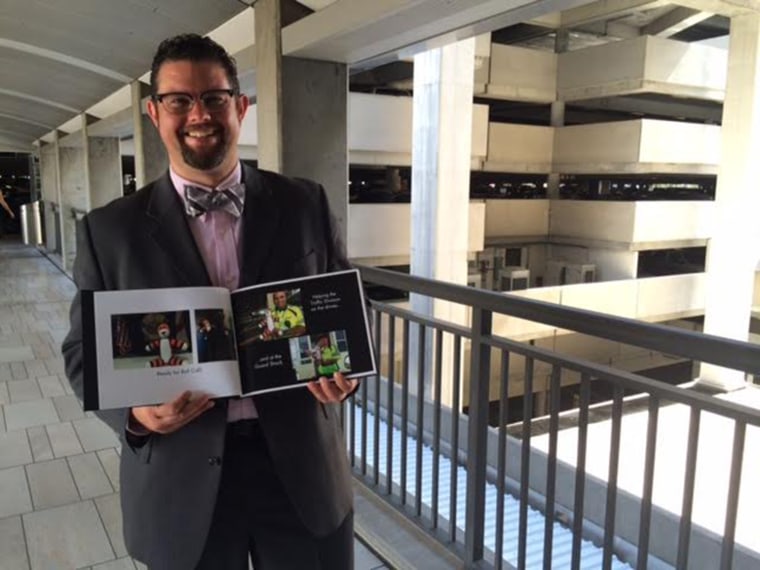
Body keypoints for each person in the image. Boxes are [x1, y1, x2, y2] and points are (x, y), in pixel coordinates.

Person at [61, 34, 358, 570]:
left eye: (215, 98)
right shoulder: (110, 230)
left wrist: (348, 372)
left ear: (240, 107)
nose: (199, 114)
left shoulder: (303, 202)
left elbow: (346, 310)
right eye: (179, 100)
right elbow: (82, 355)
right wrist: (137, 416)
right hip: (181, 484)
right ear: (155, 113)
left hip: (301, 473)